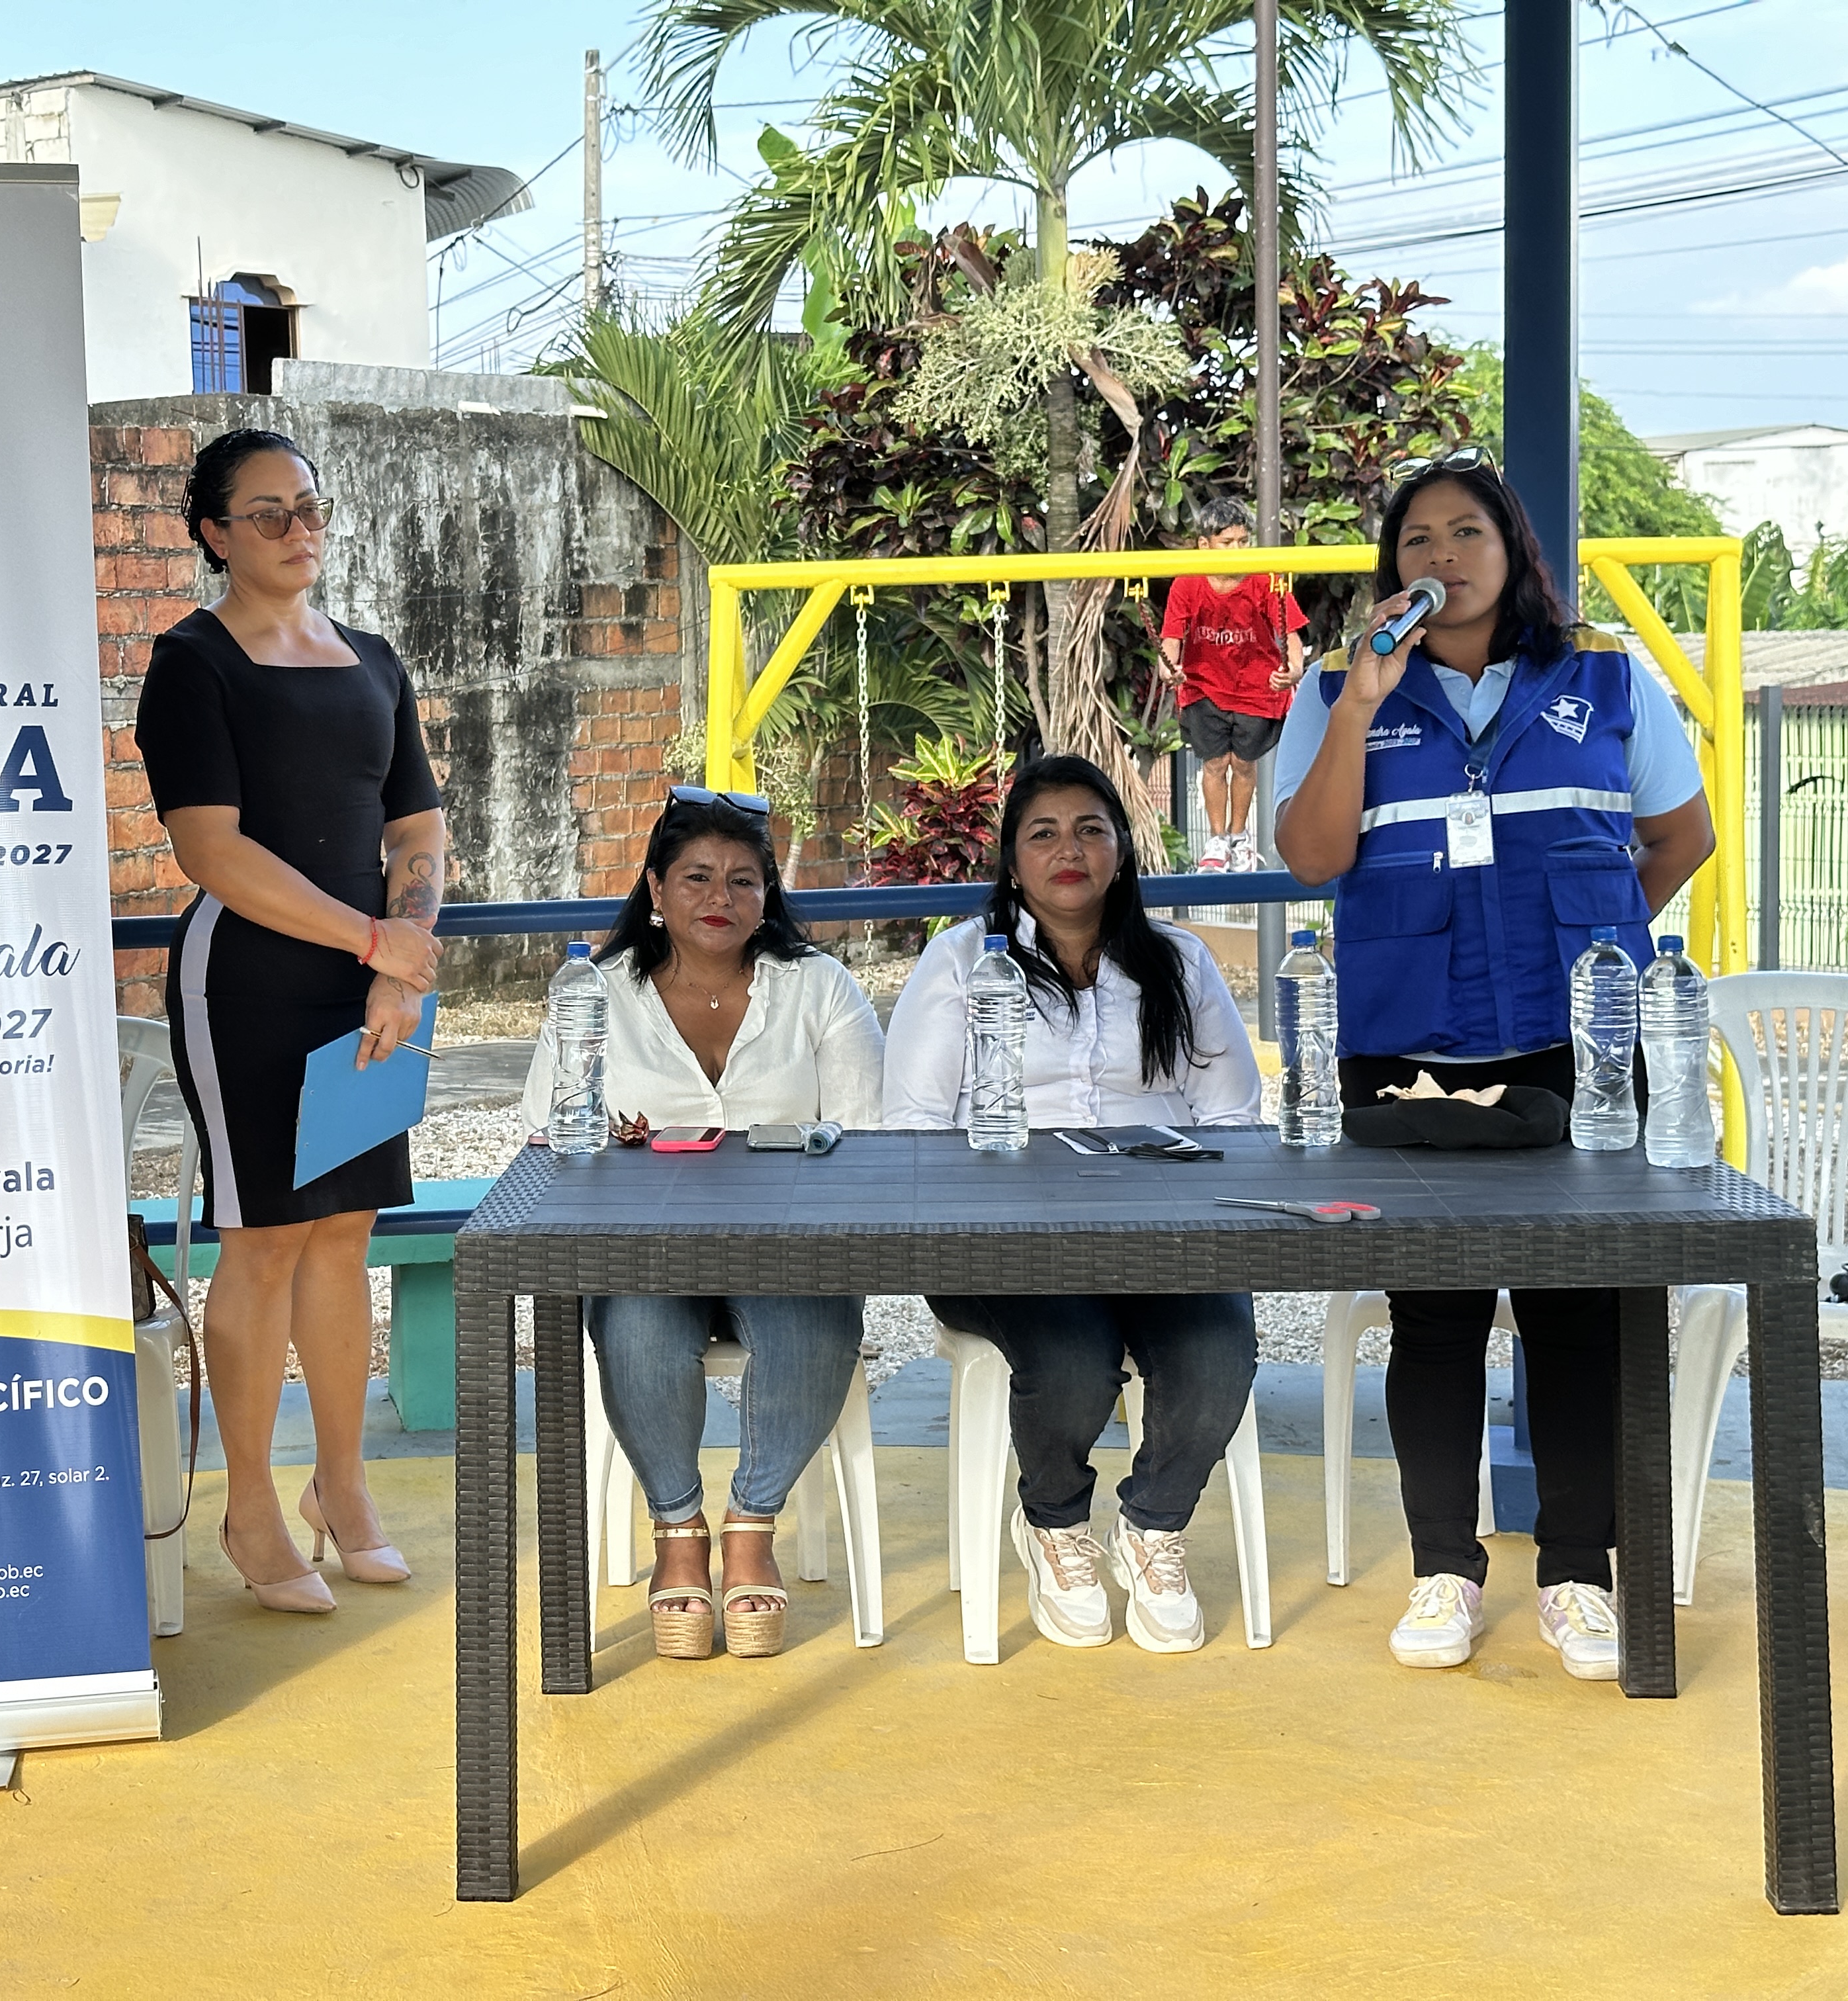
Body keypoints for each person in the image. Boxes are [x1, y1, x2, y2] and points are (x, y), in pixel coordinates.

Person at [1275, 445, 1718, 1682]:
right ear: (1391, 568)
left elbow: (1681, 836)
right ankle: (1442, 1571)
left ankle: (1577, 1575)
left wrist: (1595, 946)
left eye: (1465, 532)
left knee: (1578, 1314)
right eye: (1416, 539)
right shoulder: (1337, 686)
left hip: (1577, 1053)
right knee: (1434, 1316)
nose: (1441, 557)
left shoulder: (1603, 674)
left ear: (1512, 551)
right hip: (1407, 1050)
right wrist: (1360, 704)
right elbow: (1311, 857)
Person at [137, 428, 448, 1615]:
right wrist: (374, 941)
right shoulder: (192, 664)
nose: (296, 529)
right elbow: (211, 850)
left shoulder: (373, 659)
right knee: (265, 1237)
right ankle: (252, 1505)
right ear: (214, 532)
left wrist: (400, 967)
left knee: (345, 1233)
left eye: (309, 507)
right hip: (247, 985)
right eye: (266, 512)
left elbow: (415, 829)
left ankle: (342, 1485)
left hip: (372, 984)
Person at [883, 750, 1263, 1654]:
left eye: (1091, 831)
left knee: (1217, 1350)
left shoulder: (1178, 961)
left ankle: (1153, 1525)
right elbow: (913, 1128)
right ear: (1012, 862)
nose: (1070, 850)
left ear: (1122, 852)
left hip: (1162, 1230)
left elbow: (1233, 1118)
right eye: (1044, 833)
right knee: (1072, 1357)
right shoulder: (961, 962)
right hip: (1003, 1236)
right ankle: (1054, 1524)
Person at [523, 788, 883, 1660]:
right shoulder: (598, 992)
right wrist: (608, 1145)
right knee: (639, 1327)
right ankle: (678, 1532)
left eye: (743, 881)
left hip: (786, 1244)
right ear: (655, 888)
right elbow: (543, 1133)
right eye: (696, 878)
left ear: (768, 895)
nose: (721, 897)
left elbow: (871, 1137)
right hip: (646, 1249)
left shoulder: (819, 987)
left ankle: (752, 1523)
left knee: (813, 1325)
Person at [1157, 497, 1309, 874]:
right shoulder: (1188, 583)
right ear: (1204, 545)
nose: (1238, 550)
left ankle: (1239, 836)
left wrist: (1294, 669)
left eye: (1243, 541)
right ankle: (1217, 839)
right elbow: (1171, 639)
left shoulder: (1264, 579)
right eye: (1227, 543)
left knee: (1242, 762)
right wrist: (1169, 668)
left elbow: (1290, 634)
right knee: (1214, 763)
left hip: (1256, 685)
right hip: (1204, 684)